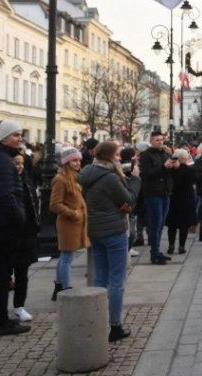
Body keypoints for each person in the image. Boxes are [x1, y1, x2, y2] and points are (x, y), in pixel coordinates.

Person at [79, 141, 141, 342]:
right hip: (113, 231)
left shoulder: (88, 171)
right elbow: (130, 199)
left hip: (95, 229)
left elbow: (102, 200)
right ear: (108, 156)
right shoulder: (109, 178)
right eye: (117, 155)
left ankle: (98, 319)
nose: (119, 158)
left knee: (100, 277)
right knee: (117, 280)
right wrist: (135, 179)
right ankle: (115, 325)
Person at [0, 120, 30, 336]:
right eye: (15, 135)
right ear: (3, 137)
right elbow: (6, 195)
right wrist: (20, 219)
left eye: (20, 135)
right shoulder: (2, 161)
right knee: (0, 275)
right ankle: (0, 322)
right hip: (4, 224)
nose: (19, 138)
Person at [49, 147, 90, 301]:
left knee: (66, 256)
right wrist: (73, 213)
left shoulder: (73, 177)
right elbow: (54, 205)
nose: (78, 163)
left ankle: (59, 286)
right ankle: (66, 288)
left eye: (79, 160)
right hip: (68, 223)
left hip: (75, 223)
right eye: (74, 160)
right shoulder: (61, 179)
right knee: (67, 257)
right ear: (66, 162)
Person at [138, 131, 178, 265]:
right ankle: (154, 254)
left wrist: (174, 167)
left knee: (161, 225)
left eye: (162, 140)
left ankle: (157, 251)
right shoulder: (145, 155)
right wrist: (163, 167)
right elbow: (147, 173)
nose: (160, 142)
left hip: (165, 192)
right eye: (157, 140)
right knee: (155, 224)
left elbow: (169, 173)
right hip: (153, 193)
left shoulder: (165, 153)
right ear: (151, 141)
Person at [11, 152, 39, 323]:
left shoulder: (27, 181)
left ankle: (19, 306)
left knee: (22, 272)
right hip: (11, 232)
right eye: (16, 163)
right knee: (6, 273)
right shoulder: (8, 183)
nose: (19, 166)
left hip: (26, 232)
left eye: (21, 163)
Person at [167, 149, 197, 255]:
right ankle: (181, 246)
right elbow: (194, 180)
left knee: (172, 224)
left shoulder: (171, 170)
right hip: (186, 199)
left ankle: (171, 246)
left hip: (173, 199)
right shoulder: (190, 170)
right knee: (184, 224)